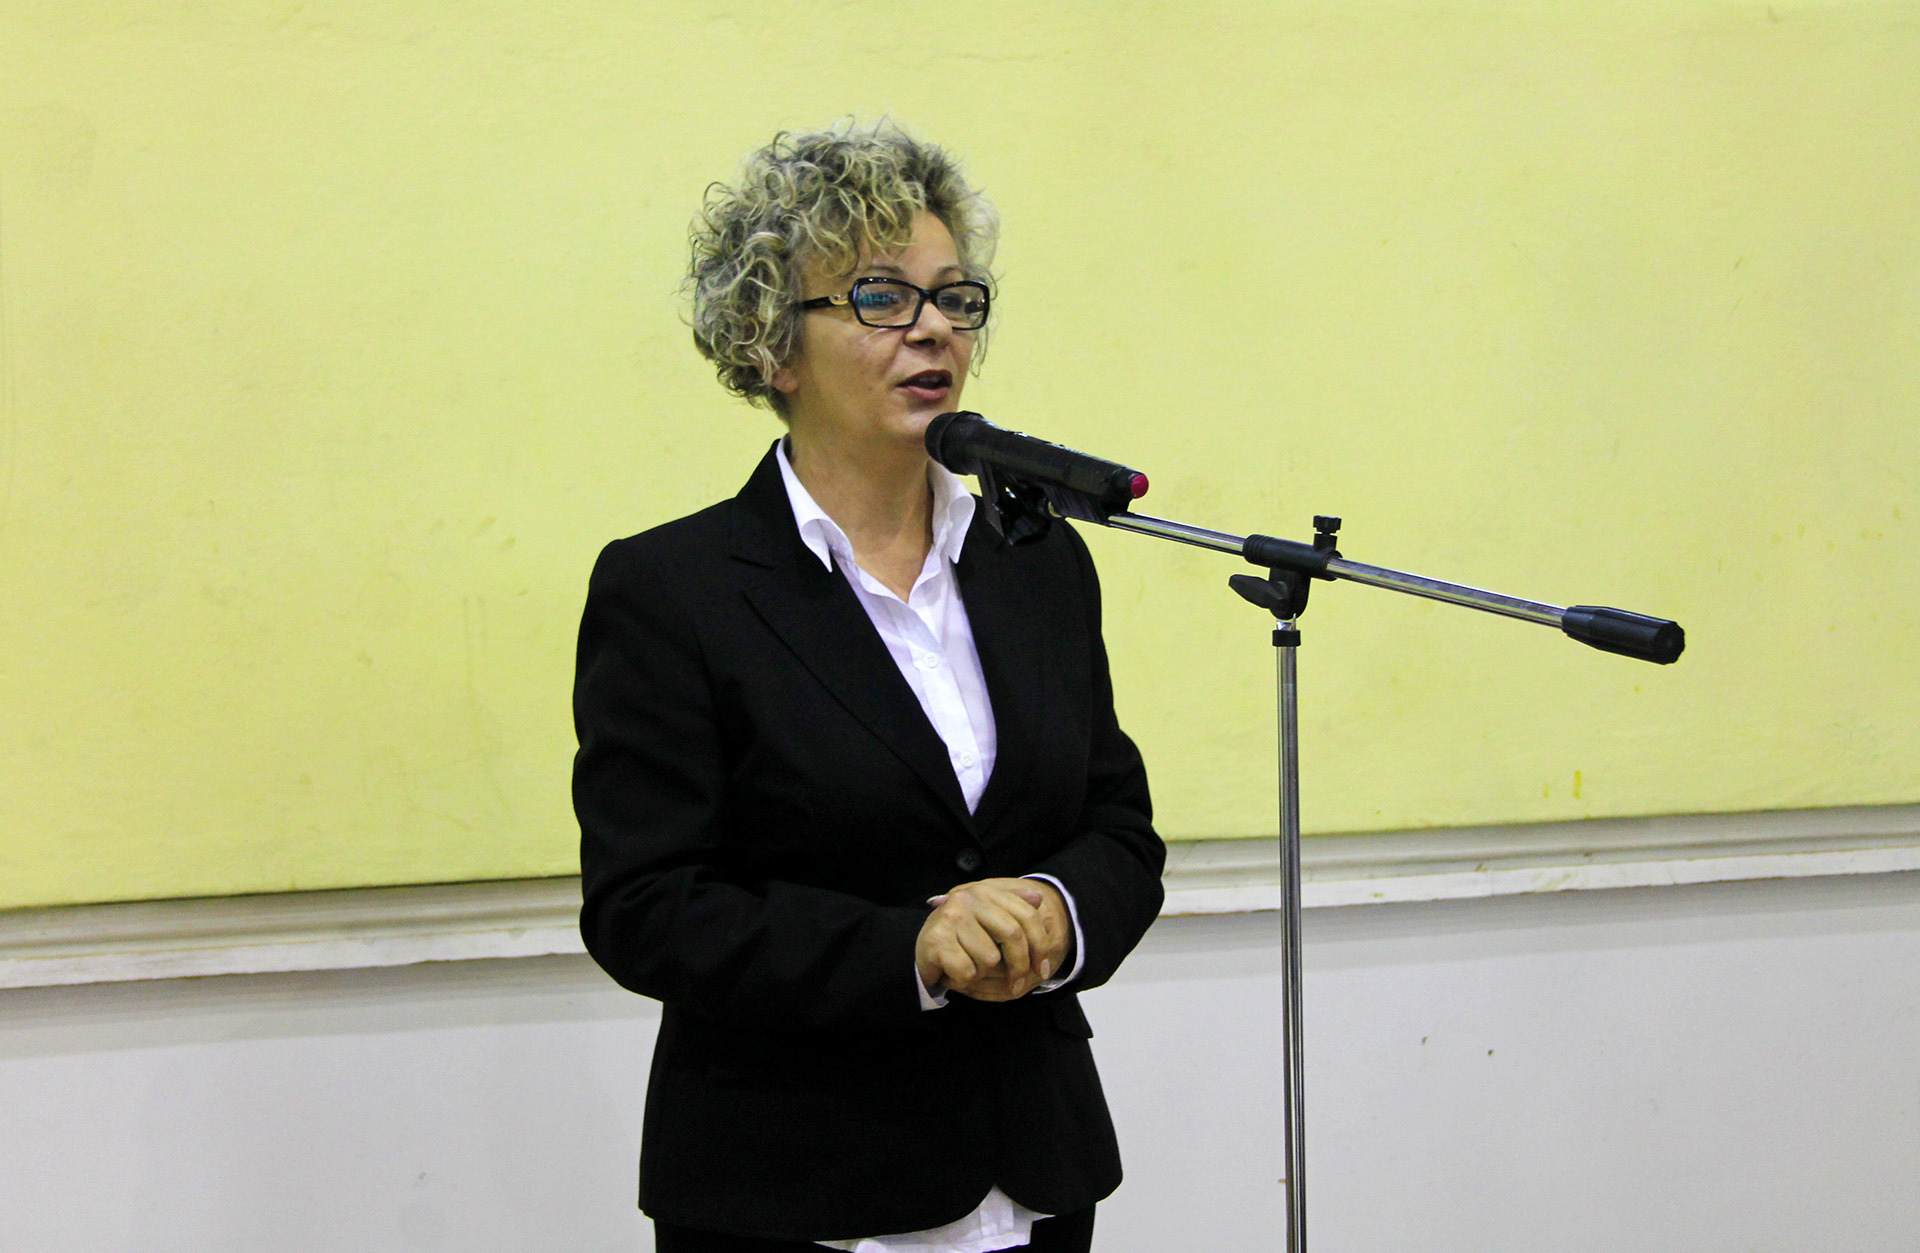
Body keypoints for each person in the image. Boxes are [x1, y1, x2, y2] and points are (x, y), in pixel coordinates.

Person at [572, 121, 1164, 1253]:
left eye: (955, 298)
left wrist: (1060, 908)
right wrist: (912, 948)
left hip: (1034, 1177)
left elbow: (1119, 828)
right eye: (881, 298)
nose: (934, 328)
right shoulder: (675, 589)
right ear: (772, 346)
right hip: (797, 1186)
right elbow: (647, 906)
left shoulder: (1036, 561)